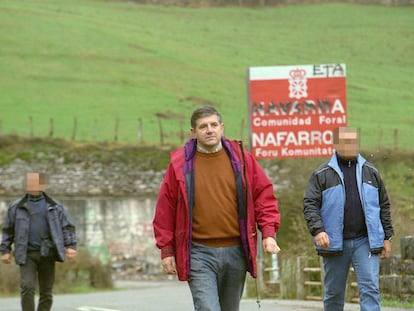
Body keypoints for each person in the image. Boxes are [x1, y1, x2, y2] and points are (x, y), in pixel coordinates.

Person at [153, 106, 281, 311]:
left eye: (214, 125)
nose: (209, 130)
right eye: (203, 126)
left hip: (237, 250)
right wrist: (167, 250)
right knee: (207, 307)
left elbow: (263, 197)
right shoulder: (180, 165)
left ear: (222, 128)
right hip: (198, 252)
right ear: (193, 132)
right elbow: (165, 210)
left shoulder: (242, 160)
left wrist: (268, 233)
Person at [303, 126, 394, 311]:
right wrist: (318, 230)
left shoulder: (371, 172)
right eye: (346, 142)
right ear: (336, 144)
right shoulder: (321, 175)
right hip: (335, 244)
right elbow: (310, 205)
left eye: (353, 141)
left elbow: (383, 205)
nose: (351, 145)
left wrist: (387, 237)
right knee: (334, 295)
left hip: (365, 242)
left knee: (370, 289)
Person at [0, 172, 77, 311]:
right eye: (30, 182)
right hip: (26, 254)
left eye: (36, 182)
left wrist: (70, 246)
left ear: (43, 185)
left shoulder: (55, 206)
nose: (32, 185)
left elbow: (68, 226)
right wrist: (5, 250)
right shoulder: (16, 207)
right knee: (27, 287)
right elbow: (7, 230)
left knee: (46, 292)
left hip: (48, 253)